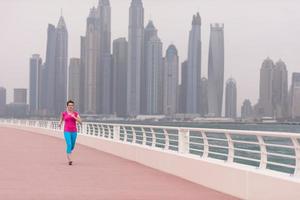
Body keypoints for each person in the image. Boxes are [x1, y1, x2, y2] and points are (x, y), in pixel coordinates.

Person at [58, 100, 82, 165]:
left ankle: (69, 151)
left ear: (73, 106)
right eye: (69, 105)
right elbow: (61, 119)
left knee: (72, 146)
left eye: (72, 105)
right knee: (69, 144)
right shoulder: (64, 113)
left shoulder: (76, 113)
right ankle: (69, 159)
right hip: (66, 131)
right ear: (67, 106)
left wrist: (74, 117)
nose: (70, 106)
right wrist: (59, 123)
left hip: (74, 131)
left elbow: (80, 122)